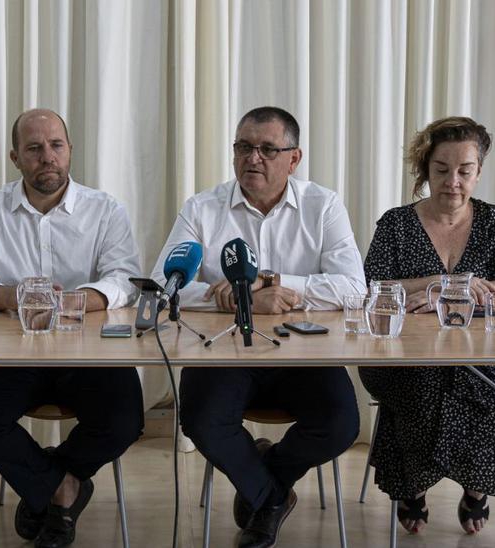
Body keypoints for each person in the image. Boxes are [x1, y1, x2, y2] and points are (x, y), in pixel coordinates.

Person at [154, 106, 364, 548]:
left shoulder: (322, 205)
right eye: (244, 147)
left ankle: (263, 482)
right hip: (225, 350)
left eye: (268, 149)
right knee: (201, 419)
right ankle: (270, 501)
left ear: (294, 157)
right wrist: (231, 299)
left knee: (341, 423)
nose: (254, 158)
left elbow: (353, 290)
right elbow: (162, 288)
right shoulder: (202, 208)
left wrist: (275, 283)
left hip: (304, 354)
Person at [0, 109, 145, 548]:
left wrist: (77, 300)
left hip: (88, 352)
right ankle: (63, 490)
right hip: (11, 352)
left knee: (125, 421)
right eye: (34, 148)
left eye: (56, 146)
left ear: (70, 151)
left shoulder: (105, 209)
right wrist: (15, 297)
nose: (47, 157)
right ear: (16, 157)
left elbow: (124, 279)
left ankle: (50, 481)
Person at [359, 116, 495, 536]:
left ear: (478, 172)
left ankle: (476, 490)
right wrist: (444, 283)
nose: (452, 181)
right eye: (441, 170)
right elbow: (371, 287)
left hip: (479, 354)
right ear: (425, 169)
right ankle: (412, 488)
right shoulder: (396, 224)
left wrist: (460, 288)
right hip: (404, 354)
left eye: (464, 171)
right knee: (419, 396)